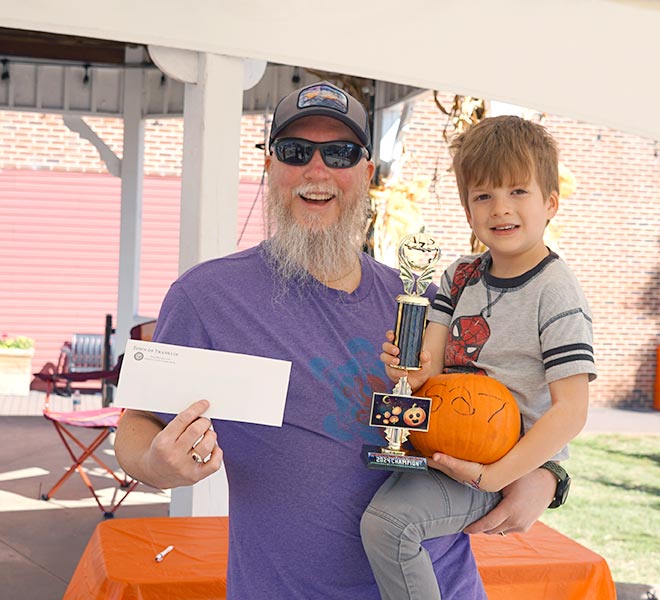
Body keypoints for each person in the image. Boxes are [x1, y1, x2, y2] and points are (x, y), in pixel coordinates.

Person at [114, 81, 559, 600]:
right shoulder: (209, 297)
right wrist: (156, 464)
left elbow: (499, 398)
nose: (317, 170)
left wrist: (546, 474)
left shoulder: (417, 300)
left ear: (366, 174)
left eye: (341, 153)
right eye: (296, 151)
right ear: (270, 166)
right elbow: (138, 424)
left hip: (443, 586)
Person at [360, 115, 596, 600]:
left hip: (500, 461)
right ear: (468, 211)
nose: (500, 208)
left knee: (388, 525)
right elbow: (430, 367)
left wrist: (500, 476)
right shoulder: (459, 276)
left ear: (550, 202)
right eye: (483, 196)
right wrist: (406, 364)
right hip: (446, 440)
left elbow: (571, 411)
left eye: (517, 192)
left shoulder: (556, 291)